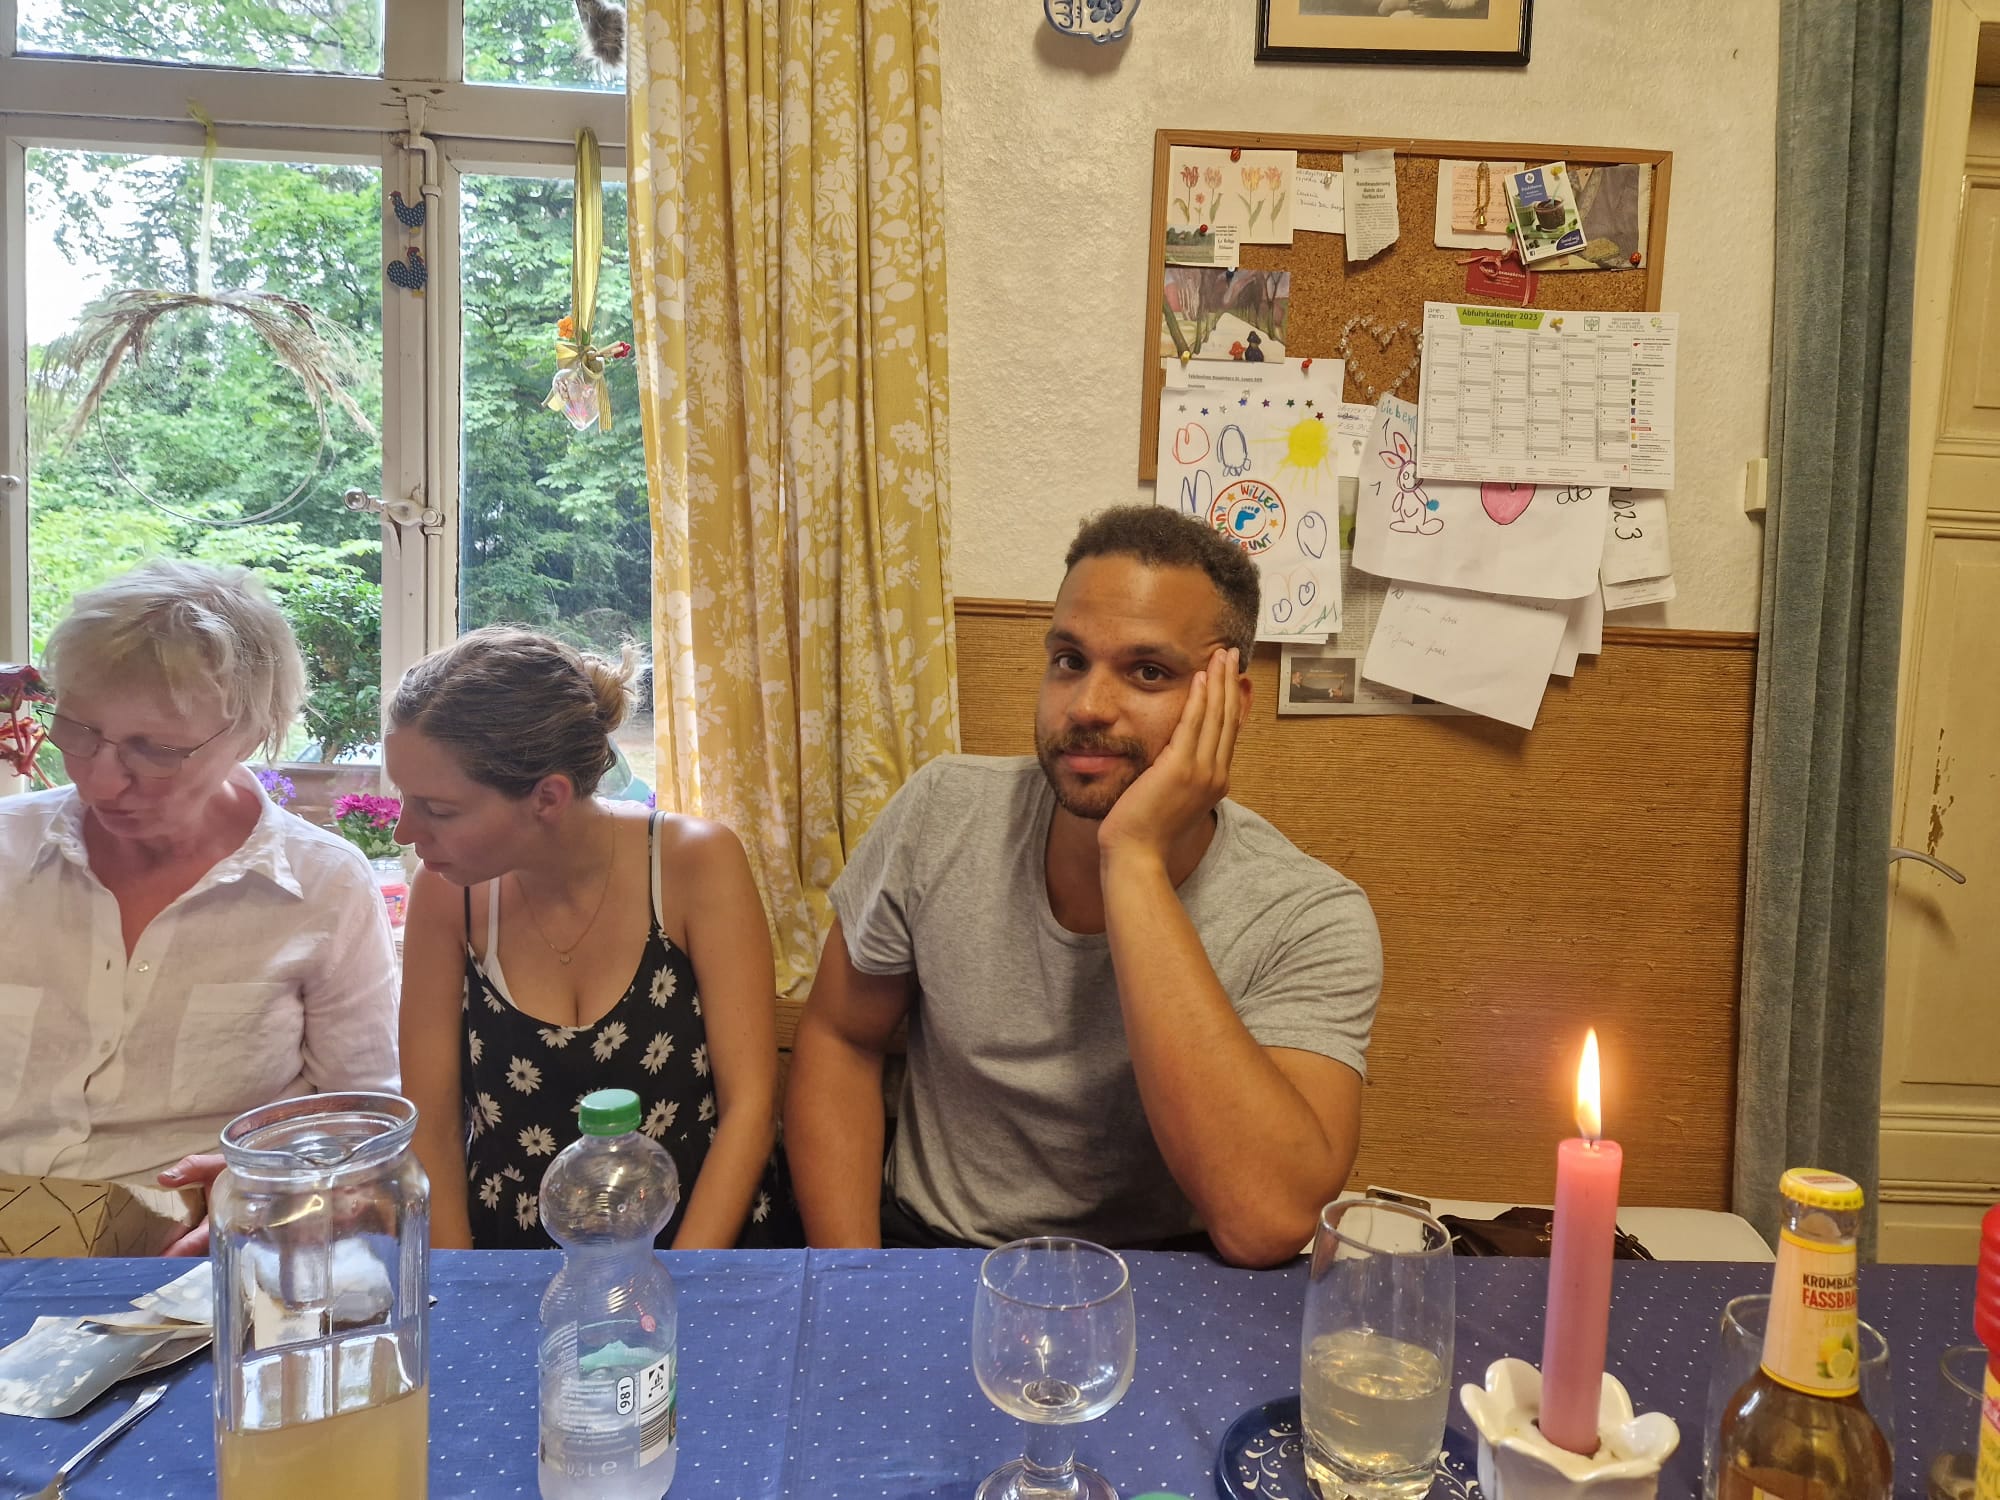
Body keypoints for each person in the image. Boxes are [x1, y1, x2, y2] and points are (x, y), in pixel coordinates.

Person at [784, 506, 1382, 1268]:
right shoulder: (940, 812)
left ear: (1229, 703)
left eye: (1148, 671)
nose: (1089, 706)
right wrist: (856, 1280)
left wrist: (1132, 859)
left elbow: (1266, 1220)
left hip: (1170, 1271)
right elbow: (842, 1038)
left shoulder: (1310, 916)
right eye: (1069, 660)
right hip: (936, 1253)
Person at [0, 561, 399, 1251]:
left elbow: (364, 1123)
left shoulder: (323, 887)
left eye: (155, 750)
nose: (101, 780)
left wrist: (286, 1193)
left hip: (195, 1262)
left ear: (250, 736)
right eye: (79, 731)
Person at [389, 627, 792, 1249]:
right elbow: (433, 1130)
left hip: (698, 1243)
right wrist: (459, 1286)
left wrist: (678, 1281)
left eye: (438, 810)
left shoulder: (694, 864)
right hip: (511, 1253)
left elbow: (751, 1111)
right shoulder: (448, 894)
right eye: (403, 800)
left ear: (548, 797)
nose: (403, 833)